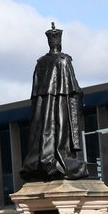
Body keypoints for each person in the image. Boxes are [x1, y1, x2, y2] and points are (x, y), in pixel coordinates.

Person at [19, 24, 88, 182]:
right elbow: (73, 87)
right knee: (61, 130)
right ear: (59, 43)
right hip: (62, 104)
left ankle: (47, 158)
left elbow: (36, 91)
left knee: (46, 130)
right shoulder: (64, 60)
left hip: (43, 108)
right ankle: (59, 158)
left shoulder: (40, 62)